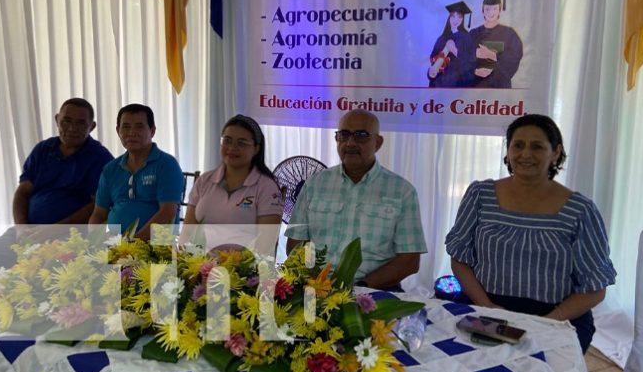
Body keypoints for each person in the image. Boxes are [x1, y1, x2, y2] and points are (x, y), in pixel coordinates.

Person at [445, 114, 616, 352]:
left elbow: (596, 288)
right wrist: (486, 306)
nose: (525, 154)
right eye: (518, 145)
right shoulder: (480, 195)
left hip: (556, 317)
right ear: (508, 150)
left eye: (537, 146)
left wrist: (545, 322)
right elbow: (459, 259)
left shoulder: (580, 210)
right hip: (484, 307)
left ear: (555, 153)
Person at [0, 98, 113, 280]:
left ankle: (20, 287)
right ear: (57, 120)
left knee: (45, 277)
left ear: (92, 126)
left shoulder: (99, 157)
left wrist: (53, 230)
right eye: (67, 121)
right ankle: (12, 289)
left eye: (81, 123)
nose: (72, 128)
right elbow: (22, 192)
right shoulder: (43, 149)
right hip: (28, 232)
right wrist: (21, 228)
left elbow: (98, 207)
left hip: (69, 236)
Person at [285, 110, 426, 290]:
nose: (350, 143)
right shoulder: (315, 184)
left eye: (361, 135)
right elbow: (295, 244)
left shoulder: (402, 191)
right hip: (315, 288)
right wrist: (314, 283)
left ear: (378, 142)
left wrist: (359, 287)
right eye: (343, 135)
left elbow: (410, 260)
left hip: (374, 291)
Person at [179, 115, 283, 251]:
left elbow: (266, 245)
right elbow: (187, 234)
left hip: (244, 269)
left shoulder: (266, 187)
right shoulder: (204, 181)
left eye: (241, 143)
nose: (232, 148)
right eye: (227, 141)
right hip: (198, 267)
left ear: (256, 148)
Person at [89, 104, 183, 241]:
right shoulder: (111, 169)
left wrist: (132, 245)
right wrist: (95, 240)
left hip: (156, 247)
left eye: (139, 126)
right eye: (126, 127)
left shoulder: (167, 165)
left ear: (152, 130)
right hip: (115, 246)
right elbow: (98, 213)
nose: (132, 133)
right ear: (118, 130)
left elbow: (168, 213)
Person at [470, 0, 523, 88]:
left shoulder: (509, 34)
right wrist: (474, 71)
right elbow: (462, 58)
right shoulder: (473, 34)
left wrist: (491, 54)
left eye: (495, 9)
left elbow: (515, 57)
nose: (491, 13)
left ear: (500, 10)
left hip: (500, 87)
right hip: (476, 86)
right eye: (487, 9)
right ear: (482, 11)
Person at [428, 1, 476, 88]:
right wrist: (431, 72)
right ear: (449, 18)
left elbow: (471, 61)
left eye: (459, 17)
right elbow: (433, 60)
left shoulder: (467, 37)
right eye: (453, 16)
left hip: (458, 86)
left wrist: (454, 50)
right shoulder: (441, 38)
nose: (456, 20)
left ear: (462, 20)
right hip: (440, 84)